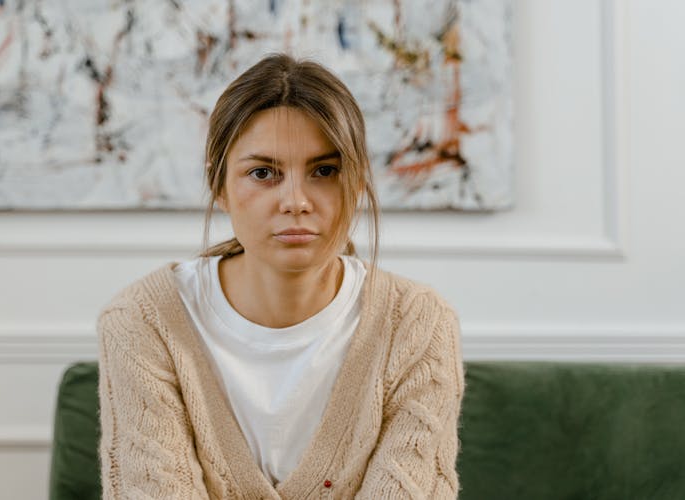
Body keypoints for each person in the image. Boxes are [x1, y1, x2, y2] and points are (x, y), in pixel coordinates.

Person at [97, 53, 466, 499]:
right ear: (219, 185)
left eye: (325, 171)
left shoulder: (418, 325)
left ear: (357, 181)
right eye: (263, 173)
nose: (296, 201)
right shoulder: (143, 322)